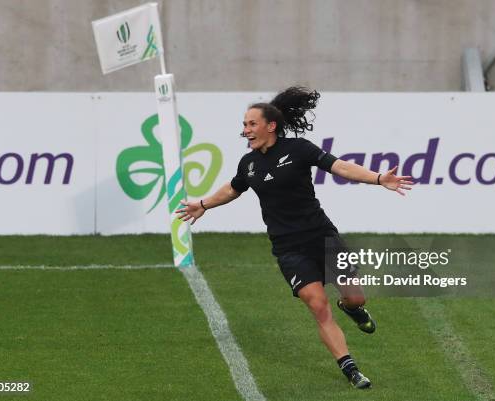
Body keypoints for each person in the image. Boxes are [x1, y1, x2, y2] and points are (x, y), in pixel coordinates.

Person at [176, 86, 413, 389]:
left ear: (270, 126)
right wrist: (204, 204)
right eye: (244, 124)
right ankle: (351, 368)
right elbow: (234, 188)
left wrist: (379, 178)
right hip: (288, 248)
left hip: (321, 236)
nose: (245, 130)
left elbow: (339, 166)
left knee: (355, 295)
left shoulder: (299, 149)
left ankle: (352, 308)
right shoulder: (248, 164)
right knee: (317, 305)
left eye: (251, 124)